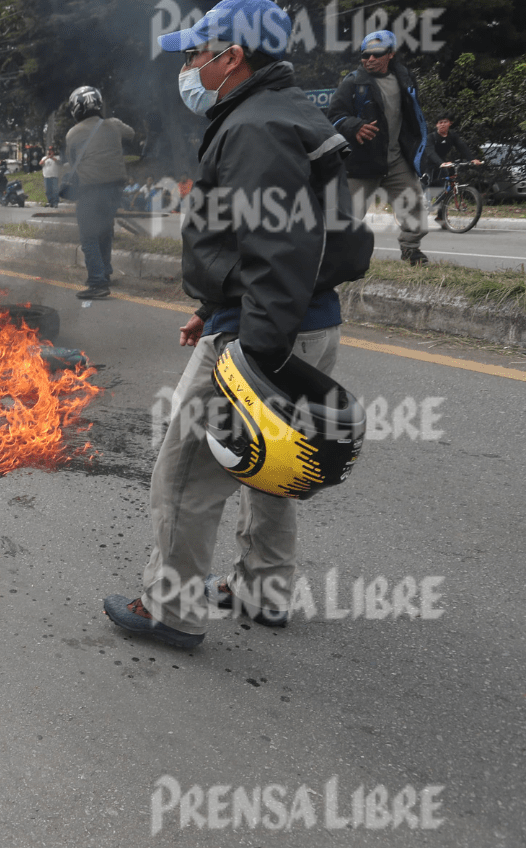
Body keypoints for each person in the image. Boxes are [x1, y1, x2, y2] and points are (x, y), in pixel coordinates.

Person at [102, 0, 372, 648]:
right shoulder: (285, 113)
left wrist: (254, 354)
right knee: (271, 460)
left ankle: (169, 609)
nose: (189, 67)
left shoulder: (253, 127)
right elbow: (274, 242)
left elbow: (279, 250)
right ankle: (265, 587)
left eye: (197, 54)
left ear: (232, 57)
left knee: (187, 468)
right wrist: (212, 307)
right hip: (298, 319)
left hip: (265, 330)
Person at [327, 30, 431, 265]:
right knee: (348, 216)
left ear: (391, 55)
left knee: (414, 205)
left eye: (377, 54)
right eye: (365, 55)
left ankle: (411, 250)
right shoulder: (353, 82)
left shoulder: (405, 79)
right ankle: (341, 260)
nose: (370, 59)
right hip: (362, 162)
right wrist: (354, 126)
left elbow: (412, 115)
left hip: (396, 160)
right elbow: (333, 116)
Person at [63, 85, 136, 299]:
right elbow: (131, 134)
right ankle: (105, 271)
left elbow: (71, 161)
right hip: (115, 188)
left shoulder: (73, 133)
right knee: (105, 231)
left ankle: (97, 282)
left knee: (89, 236)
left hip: (91, 189)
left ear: (77, 108)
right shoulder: (113, 124)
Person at [426, 114, 483, 220]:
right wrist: (441, 163)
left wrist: (472, 159)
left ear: (450, 123)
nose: (442, 124)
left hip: (442, 164)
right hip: (426, 164)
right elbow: (430, 153)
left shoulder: (452, 136)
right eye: (440, 122)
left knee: (444, 189)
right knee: (427, 186)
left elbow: (462, 148)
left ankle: (441, 217)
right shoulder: (431, 137)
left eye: (445, 122)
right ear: (436, 125)